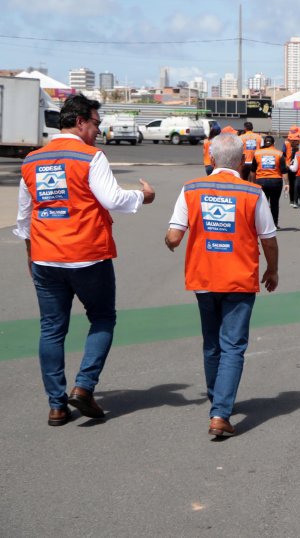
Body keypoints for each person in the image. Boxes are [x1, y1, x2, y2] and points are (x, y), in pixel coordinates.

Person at [14, 94, 156, 426]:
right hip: (87, 255)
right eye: (96, 123)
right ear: (80, 122)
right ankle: (84, 386)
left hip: (46, 258)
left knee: (51, 329)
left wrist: (31, 258)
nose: (97, 130)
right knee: (103, 318)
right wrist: (143, 196)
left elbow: (24, 220)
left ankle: (56, 405)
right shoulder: (90, 156)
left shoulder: (31, 161)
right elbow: (113, 198)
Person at [164, 133, 279, 438]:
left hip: (204, 279)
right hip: (240, 280)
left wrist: (170, 241)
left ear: (212, 160)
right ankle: (220, 413)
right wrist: (273, 271)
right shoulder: (253, 193)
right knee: (234, 345)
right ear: (243, 162)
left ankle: (217, 398)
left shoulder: (191, 189)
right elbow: (268, 239)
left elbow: (174, 237)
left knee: (212, 342)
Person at [251, 135, 285, 228]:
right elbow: (283, 170)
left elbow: (253, 170)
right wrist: (287, 183)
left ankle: (262, 224)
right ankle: (274, 224)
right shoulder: (279, 153)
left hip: (261, 181)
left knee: (262, 204)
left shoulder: (257, 153)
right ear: (274, 143)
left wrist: (253, 182)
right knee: (274, 203)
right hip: (276, 181)